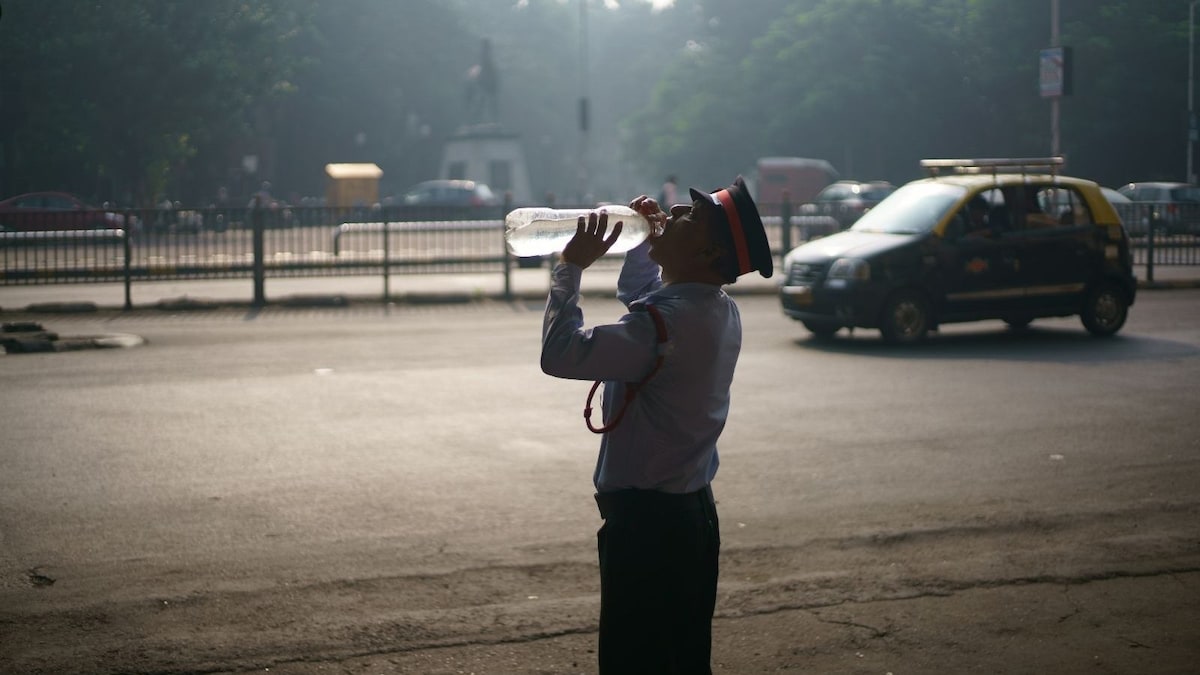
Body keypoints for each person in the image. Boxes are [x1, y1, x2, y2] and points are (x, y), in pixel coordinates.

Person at [540, 176, 773, 674]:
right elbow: (642, 294)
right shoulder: (713, 310)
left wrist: (569, 268)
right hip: (687, 522)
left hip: (650, 533)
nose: (675, 214)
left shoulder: (666, 328)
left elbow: (560, 354)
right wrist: (649, 246)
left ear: (709, 253)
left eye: (691, 218)